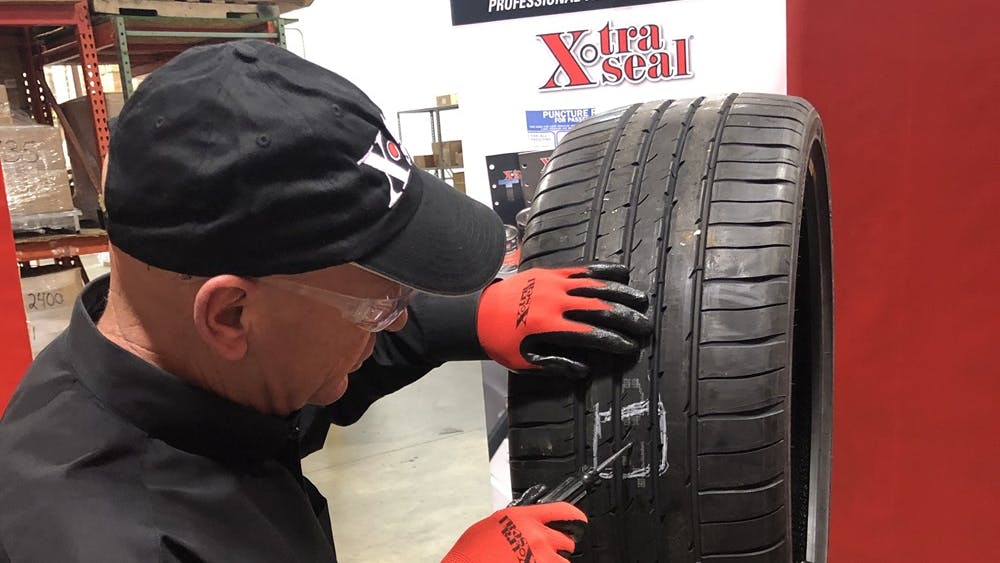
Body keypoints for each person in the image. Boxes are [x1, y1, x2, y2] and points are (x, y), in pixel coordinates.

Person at [0, 41, 651, 562]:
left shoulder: (192, 365)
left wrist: (472, 315)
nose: (397, 316)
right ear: (229, 314)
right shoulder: (111, 538)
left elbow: (314, 355)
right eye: (376, 307)